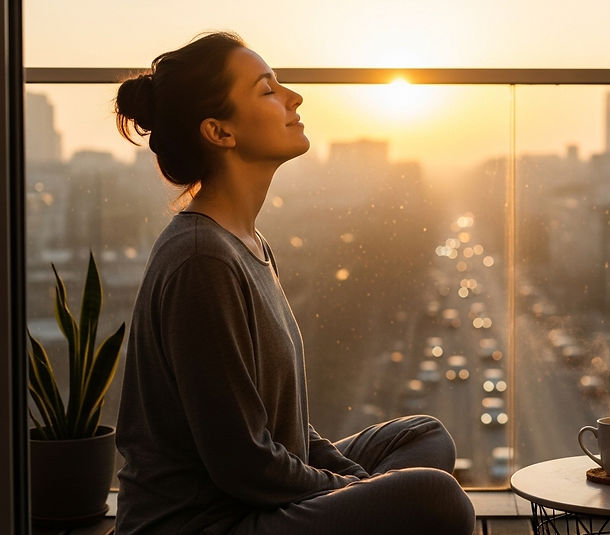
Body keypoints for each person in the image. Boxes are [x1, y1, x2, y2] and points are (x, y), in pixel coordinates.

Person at [113, 32, 475, 535]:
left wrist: (355, 486)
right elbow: (243, 464)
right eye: (267, 90)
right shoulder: (201, 260)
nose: (294, 97)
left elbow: (280, 429)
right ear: (219, 132)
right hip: (208, 521)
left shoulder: (247, 243)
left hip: (258, 495)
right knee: (438, 500)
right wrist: (355, 491)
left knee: (423, 437)